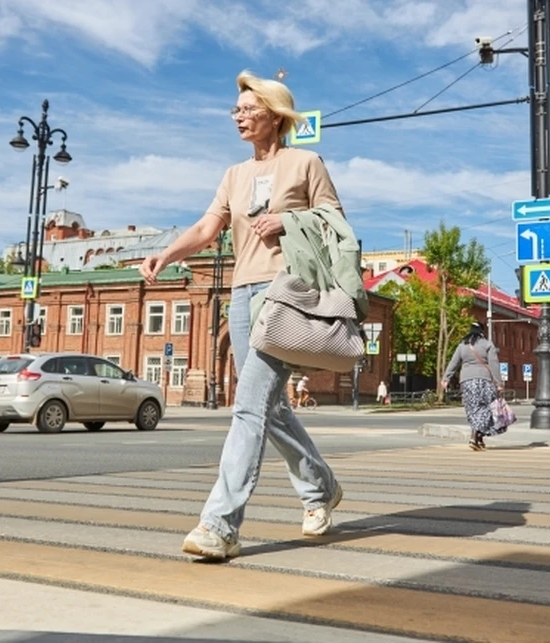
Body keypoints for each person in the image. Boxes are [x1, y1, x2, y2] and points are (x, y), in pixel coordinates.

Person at [140, 70, 343, 559]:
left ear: (275, 116)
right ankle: (321, 488)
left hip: (287, 293)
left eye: (249, 109)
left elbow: (335, 221)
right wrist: (168, 255)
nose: (239, 117)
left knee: (249, 406)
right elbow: (208, 228)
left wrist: (290, 220)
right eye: (236, 110)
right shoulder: (233, 175)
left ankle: (220, 526)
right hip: (242, 294)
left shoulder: (305, 162)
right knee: (269, 407)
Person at [441, 321, 504, 451]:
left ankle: (479, 439)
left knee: (473, 409)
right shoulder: (487, 344)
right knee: (485, 409)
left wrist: (446, 378)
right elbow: (494, 364)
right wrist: (499, 383)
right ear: (482, 331)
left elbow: (454, 362)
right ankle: (474, 436)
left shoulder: (462, 345)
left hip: (466, 381)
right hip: (484, 380)